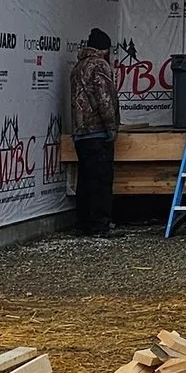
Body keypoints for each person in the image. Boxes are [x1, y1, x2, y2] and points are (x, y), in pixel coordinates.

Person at [70, 27, 121, 236]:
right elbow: (104, 99)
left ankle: (84, 224)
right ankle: (100, 224)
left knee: (85, 179)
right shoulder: (100, 66)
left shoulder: (78, 67)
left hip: (80, 132)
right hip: (98, 131)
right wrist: (112, 127)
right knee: (101, 180)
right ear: (104, 49)